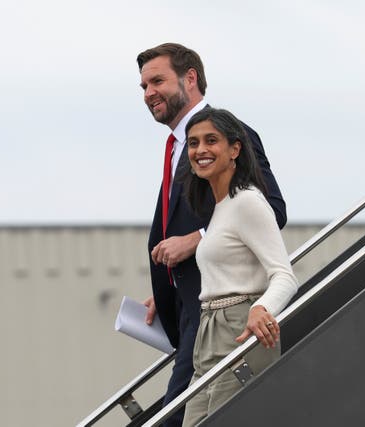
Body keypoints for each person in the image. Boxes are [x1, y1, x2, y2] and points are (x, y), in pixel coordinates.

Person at [137, 42, 287, 426]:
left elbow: (271, 208)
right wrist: (169, 286)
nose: (149, 92)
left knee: (174, 416)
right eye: (143, 86)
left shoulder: (227, 133)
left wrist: (194, 239)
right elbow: (212, 224)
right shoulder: (177, 149)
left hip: (230, 318)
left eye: (157, 81)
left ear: (190, 79)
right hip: (198, 310)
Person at [180, 106, 298, 426]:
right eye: (193, 143)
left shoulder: (247, 201)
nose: (200, 150)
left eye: (210, 140)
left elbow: (284, 275)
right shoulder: (220, 208)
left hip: (240, 329)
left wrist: (261, 308)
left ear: (235, 149)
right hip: (209, 331)